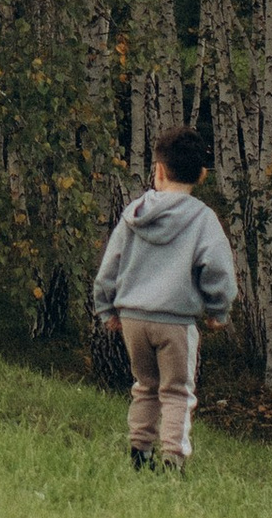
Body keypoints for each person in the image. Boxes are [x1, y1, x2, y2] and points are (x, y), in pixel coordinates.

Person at [91, 126, 236, 472]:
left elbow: (110, 264)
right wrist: (218, 309)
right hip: (175, 321)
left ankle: (139, 453)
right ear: (202, 175)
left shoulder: (134, 214)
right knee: (176, 392)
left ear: (158, 170)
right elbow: (217, 269)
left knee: (145, 386)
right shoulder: (203, 219)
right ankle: (173, 461)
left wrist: (106, 308)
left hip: (133, 319)